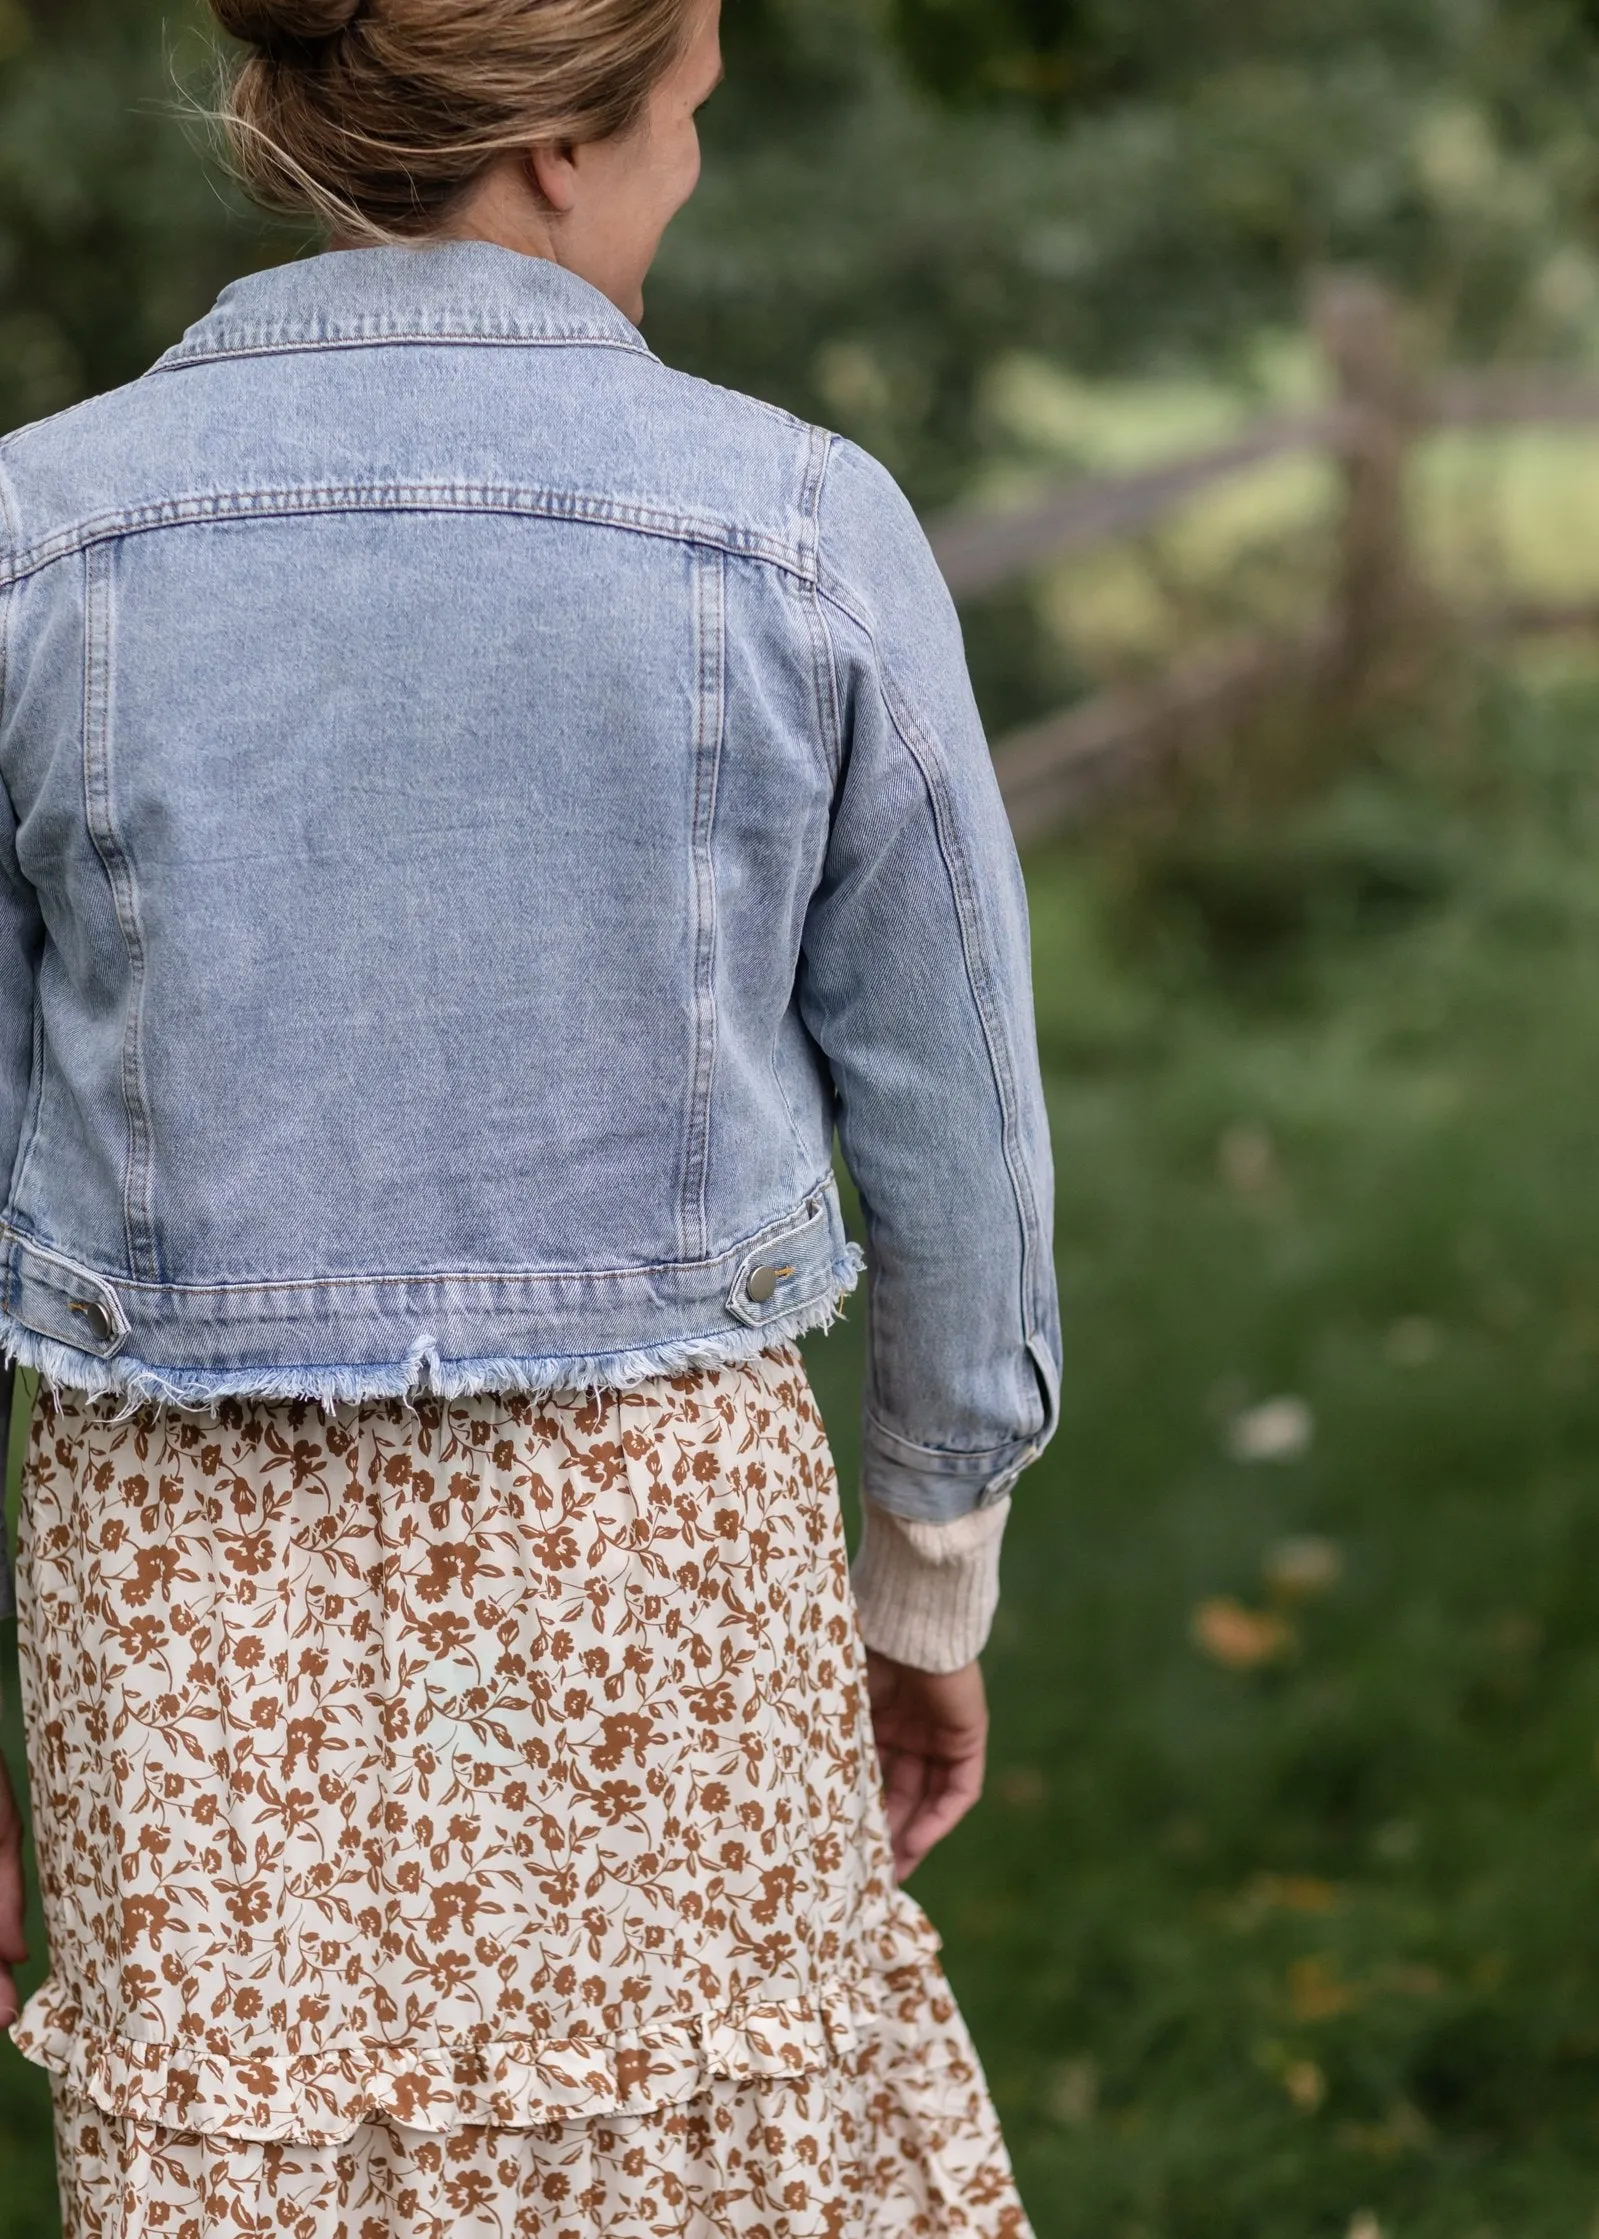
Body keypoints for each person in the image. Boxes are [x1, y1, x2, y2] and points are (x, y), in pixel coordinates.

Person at [0, 0, 1060, 2228]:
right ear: (561, 158)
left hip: (186, 1619)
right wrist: (928, 1581)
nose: (685, 177)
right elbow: (952, 1124)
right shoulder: (793, 523)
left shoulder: (33, 542)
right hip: (658, 1582)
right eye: (685, 126)